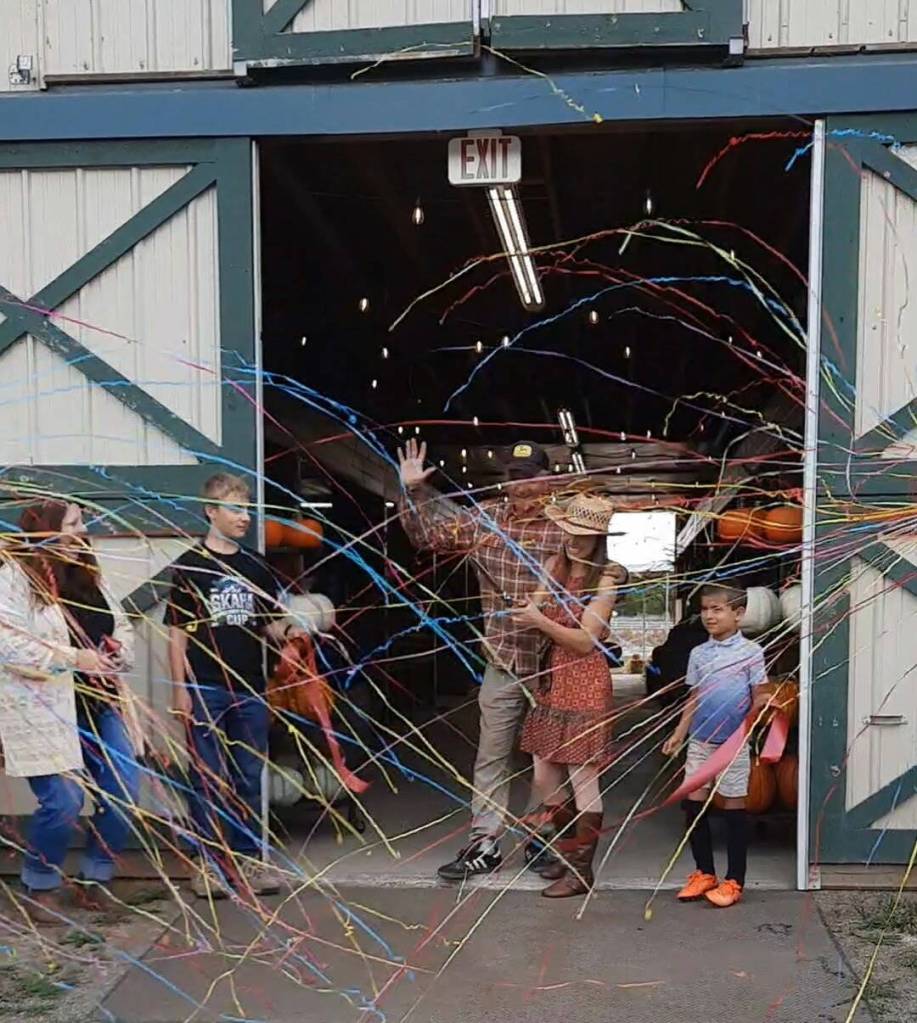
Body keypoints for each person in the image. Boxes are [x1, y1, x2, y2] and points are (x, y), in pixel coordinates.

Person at [398, 437, 564, 880]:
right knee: (492, 757)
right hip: (503, 661)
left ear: (547, 480)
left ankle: (540, 839)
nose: (522, 486)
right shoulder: (485, 519)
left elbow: (601, 573)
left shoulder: (565, 525)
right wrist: (413, 491)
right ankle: (484, 845)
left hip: (554, 664)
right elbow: (428, 537)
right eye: (515, 477)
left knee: (548, 758)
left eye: (531, 478)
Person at [0, 500, 140, 921]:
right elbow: (9, 644)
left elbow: (120, 626)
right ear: (47, 528)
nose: (81, 531)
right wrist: (75, 658)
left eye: (81, 523)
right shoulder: (14, 578)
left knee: (124, 792)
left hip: (100, 705)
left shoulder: (89, 575)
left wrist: (119, 651)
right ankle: (40, 883)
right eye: (73, 523)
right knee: (63, 801)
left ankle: (94, 878)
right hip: (45, 709)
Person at [167, 473, 304, 900]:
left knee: (249, 776)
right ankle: (209, 865)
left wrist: (292, 636)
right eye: (235, 509)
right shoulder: (190, 566)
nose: (245, 517)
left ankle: (248, 860)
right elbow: (177, 634)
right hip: (205, 688)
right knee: (206, 777)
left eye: (247, 509)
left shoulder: (255, 566)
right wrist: (180, 689)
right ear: (211, 511)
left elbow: (268, 624)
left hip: (249, 690)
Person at [514, 494, 625, 898]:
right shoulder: (552, 566)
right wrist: (524, 612)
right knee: (543, 777)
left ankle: (581, 873)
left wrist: (539, 619)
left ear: (599, 538)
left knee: (583, 778)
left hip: (585, 682)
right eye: (568, 531)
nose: (573, 541)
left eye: (583, 535)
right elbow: (533, 609)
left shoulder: (607, 579)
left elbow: (584, 641)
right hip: (552, 682)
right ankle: (566, 855)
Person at [662, 583, 768, 908]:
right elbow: (694, 697)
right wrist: (680, 732)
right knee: (694, 805)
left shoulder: (751, 652)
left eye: (717, 609)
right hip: (701, 741)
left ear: (738, 613)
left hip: (733, 743)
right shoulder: (699, 653)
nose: (709, 616)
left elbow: (760, 695)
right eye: (705, 609)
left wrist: (757, 715)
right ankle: (704, 872)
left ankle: (734, 880)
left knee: (734, 806)